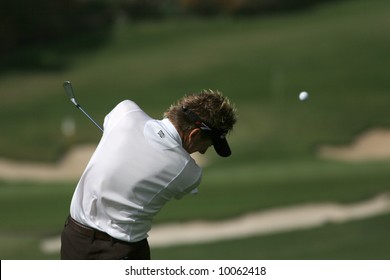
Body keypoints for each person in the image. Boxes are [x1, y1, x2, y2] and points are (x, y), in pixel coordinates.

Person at [60, 89, 237, 259]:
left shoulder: (126, 110)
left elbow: (110, 127)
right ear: (194, 134)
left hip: (74, 240)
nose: (204, 151)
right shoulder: (189, 172)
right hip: (122, 252)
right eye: (207, 144)